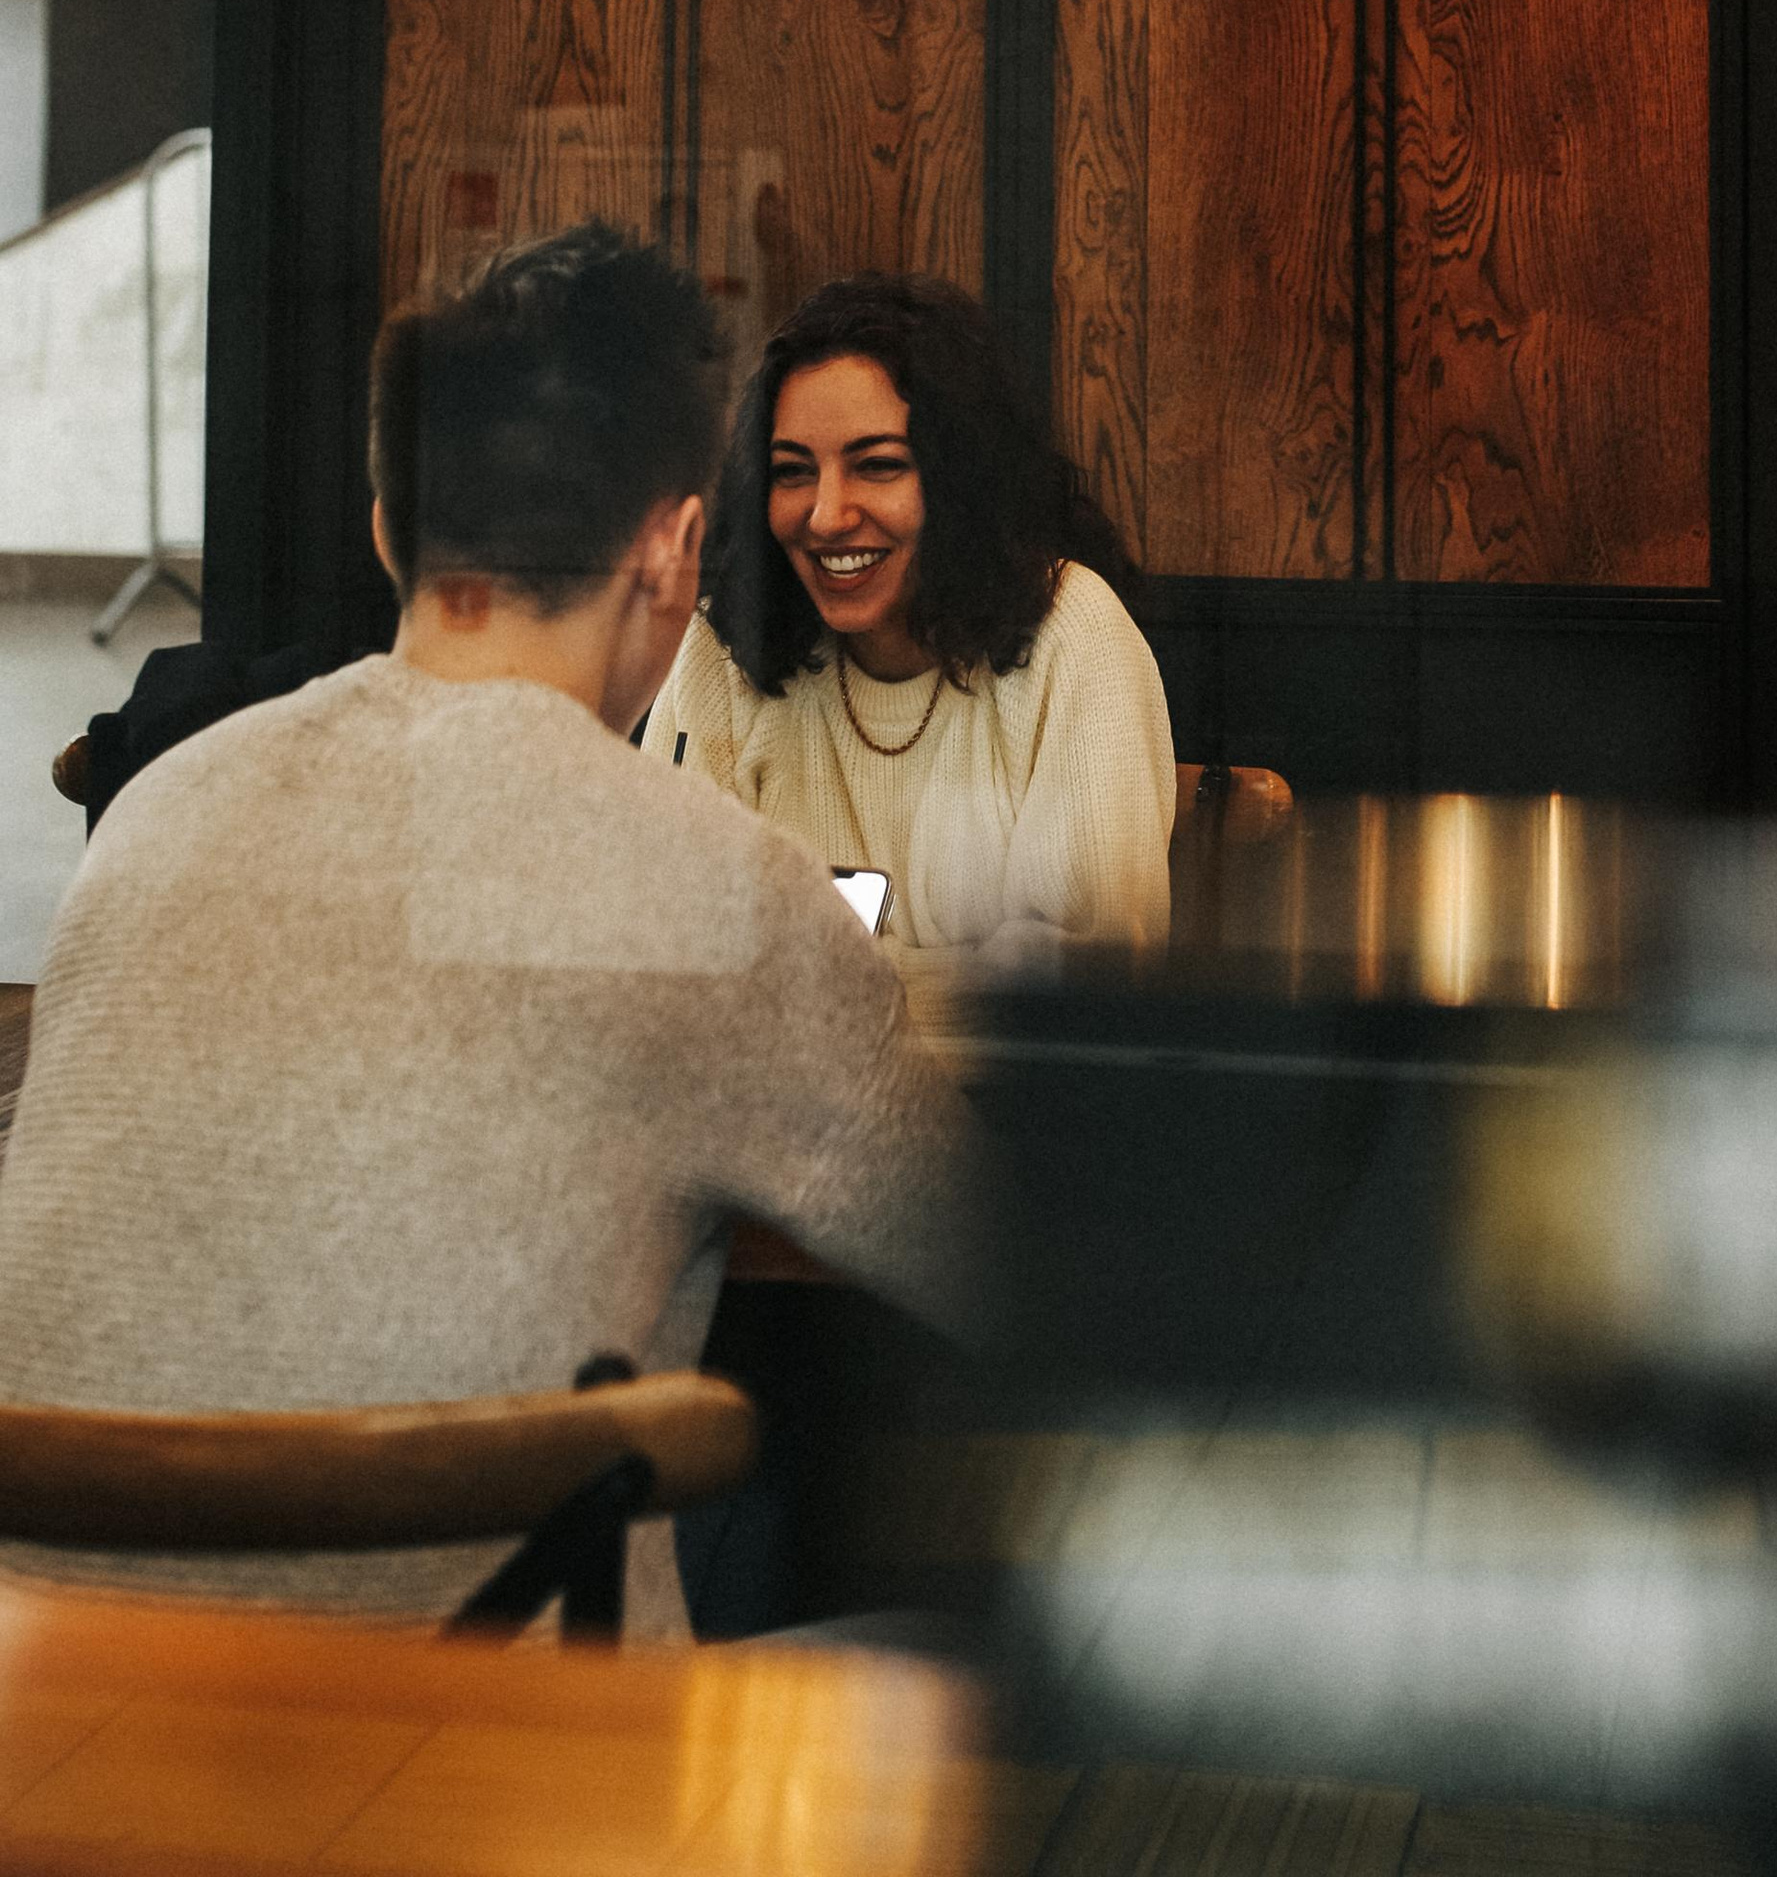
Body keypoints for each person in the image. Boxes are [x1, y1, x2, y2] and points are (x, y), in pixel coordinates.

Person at [0, 224, 980, 1627]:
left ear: (392, 527)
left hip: (58, 1761)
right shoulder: (722, 888)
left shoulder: (149, 819)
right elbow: (996, 1265)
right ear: (677, 547)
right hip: (490, 1787)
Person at [646, 274, 1175, 988]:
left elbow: (1080, 987)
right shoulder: (724, 643)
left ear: (960, 482)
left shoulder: (1073, 636)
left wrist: (825, 994)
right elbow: (666, 950)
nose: (827, 514)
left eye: (878, 466)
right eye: (793, 472)